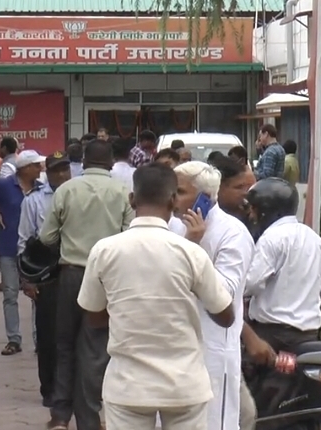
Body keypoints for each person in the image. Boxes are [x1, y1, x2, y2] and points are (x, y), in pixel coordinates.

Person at [77, 163, 235, 430]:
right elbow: (226, 316)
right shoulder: (191, 252)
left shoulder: (104, 250)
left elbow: (93, 317)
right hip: (184, 385)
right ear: (173, 201)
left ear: (131, 199)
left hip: (128, 386)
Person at [39, 139, 134, 430]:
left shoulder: (66, 190)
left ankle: (59, 415)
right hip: (106, 278)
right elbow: (129, 237)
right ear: (109, 163)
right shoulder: (122, 192)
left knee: (64, 344)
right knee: (94, 350)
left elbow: (46, 238)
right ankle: (89, 418)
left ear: (83, 162)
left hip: (71, 274)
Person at [170, 161, 255, 430]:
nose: (173, 199)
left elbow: (223, 296)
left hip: (213, 351)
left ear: (204, 198)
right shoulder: (173, 226)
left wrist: (194, 250)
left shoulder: (232, 233)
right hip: (176, 344)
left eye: (180, 192)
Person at [244, 178, 321, 353]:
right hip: (309, 335)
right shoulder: (315, 239)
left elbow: (251, 284)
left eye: (254, 210)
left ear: (265, 210)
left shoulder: (271, 239)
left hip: (272, 335)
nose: (251, 216)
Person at [0, 149, 47, 356]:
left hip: (34, 250)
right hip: (8, 246)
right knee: (10, 294)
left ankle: (39, 338)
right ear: (26, 169)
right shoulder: (5, 185)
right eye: (37, 165)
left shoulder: (41, 189)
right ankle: (14, 339)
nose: (41, 169)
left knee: (37, 296)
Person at [17, 151, 73, 407]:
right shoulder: (34, 201)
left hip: (74, 269)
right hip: (47, 272)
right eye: (56, 170)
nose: (62, 175)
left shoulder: (79, 195)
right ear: (46, 173)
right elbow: (24, 240)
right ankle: (49, 389)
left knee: (75, 334)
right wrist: (27, 279)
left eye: (65, 169)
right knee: (48, 335)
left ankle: (71, 387)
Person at [211, 156, 257, 225]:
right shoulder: (203, 221)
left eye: (246, 187)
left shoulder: (251, 215)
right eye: (239, 187)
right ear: (218, 188)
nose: (245, 192)